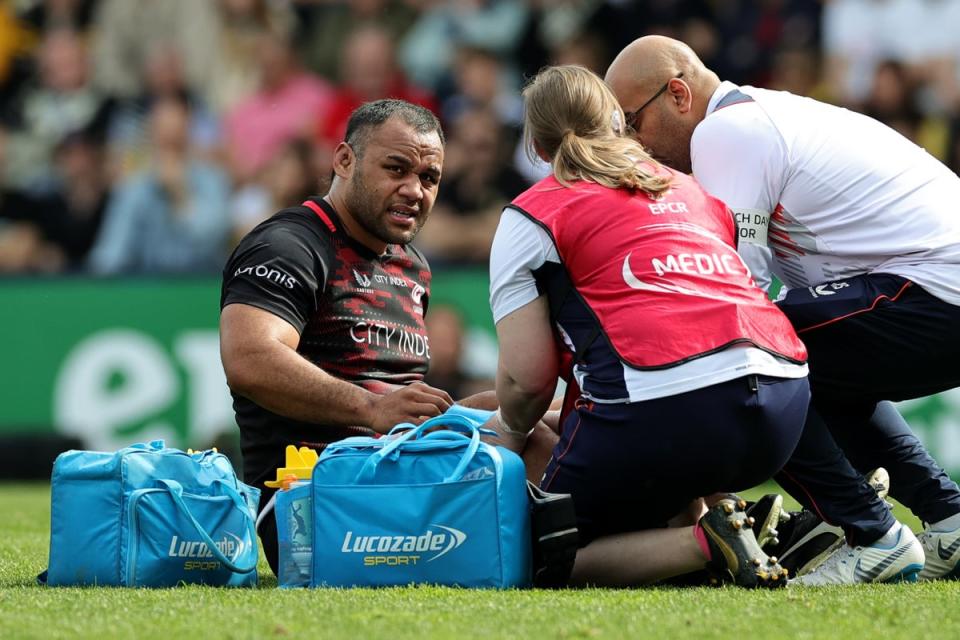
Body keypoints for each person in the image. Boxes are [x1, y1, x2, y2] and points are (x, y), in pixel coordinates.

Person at [605, 35, 959, 584]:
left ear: (678, 95)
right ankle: (948, 519)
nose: (632, 143)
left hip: (936, 283)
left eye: (631, 122)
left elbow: (731, 289)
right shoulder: (756, 118)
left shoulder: (725, 132)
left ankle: (873, 536)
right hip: (934, 285)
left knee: (744, 358)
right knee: (809, 366)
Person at [486, 64, 811, 588]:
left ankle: (709, 541)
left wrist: (510, 432)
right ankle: (744, 521)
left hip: (664, 410)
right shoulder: (694, 190)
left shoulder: (531, 214)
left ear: (539, 149)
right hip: (784, 403)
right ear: (618, 122)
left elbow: (527, 380)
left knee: (546, 555)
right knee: (658, 445)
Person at [220, 99, 457, 574]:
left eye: (429, 179)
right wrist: (371, 410)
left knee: (539, 430)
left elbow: (402, 403)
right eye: (397, 169)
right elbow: (248, 357)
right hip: (313, 507)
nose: (414, 190)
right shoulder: (289, 245)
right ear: (345, 160)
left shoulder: (413, 266)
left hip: (401, 475)